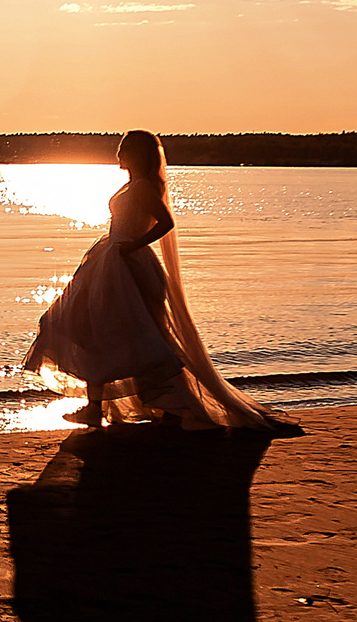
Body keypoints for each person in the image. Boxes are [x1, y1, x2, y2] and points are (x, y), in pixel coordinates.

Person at [23, 129, 297, 432]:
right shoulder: (133, 185)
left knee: (133, 338)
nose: (119, 154)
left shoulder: (143, 187)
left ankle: (163, 405)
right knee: (94, 332)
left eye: (125, 149)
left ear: (137, 154)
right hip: (111, 261)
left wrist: (133, 246)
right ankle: (99, 407)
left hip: (127, 265)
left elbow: (166, 222)